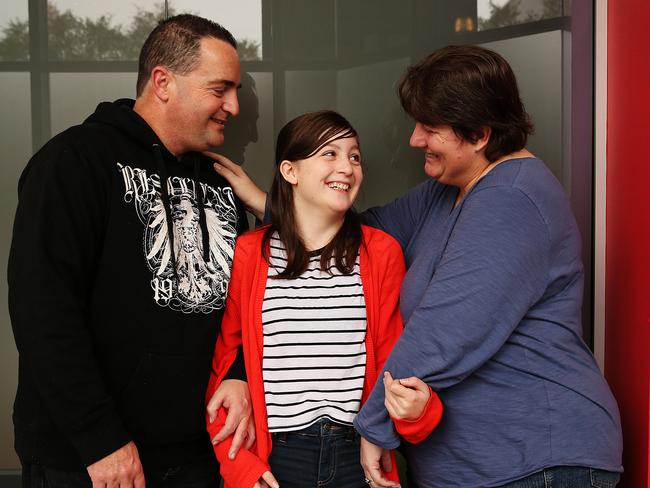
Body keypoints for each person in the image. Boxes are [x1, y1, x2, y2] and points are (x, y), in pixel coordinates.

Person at [210, 45, 624, 488]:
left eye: (429, 128)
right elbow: (348, 229)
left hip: (536, 459)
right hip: (478, 466)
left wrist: (373, 425)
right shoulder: (444, 192)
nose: (413, 140)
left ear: (480, 134)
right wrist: (271, 204)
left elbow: (445, 333)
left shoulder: (512, 200)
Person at [9, 14, 256, 488]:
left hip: (197, 455)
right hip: (91, 460)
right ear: (163, 82)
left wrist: (240, 373)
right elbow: (43, 311)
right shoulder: (74, 162)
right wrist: (99, 439)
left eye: (237, 90)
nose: (234, 106)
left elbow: (244, 303)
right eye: (220, 88)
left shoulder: (223, 186)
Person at [204, 110, 443, 488]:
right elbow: (225, 370)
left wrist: (418, 415)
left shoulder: (380, 253)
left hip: (358, 456)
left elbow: (396, 360)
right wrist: (242, 470)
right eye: (329, 154)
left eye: (354, 156)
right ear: (290, 171)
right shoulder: (251, 253)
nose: (346, 167)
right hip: (277, 458)